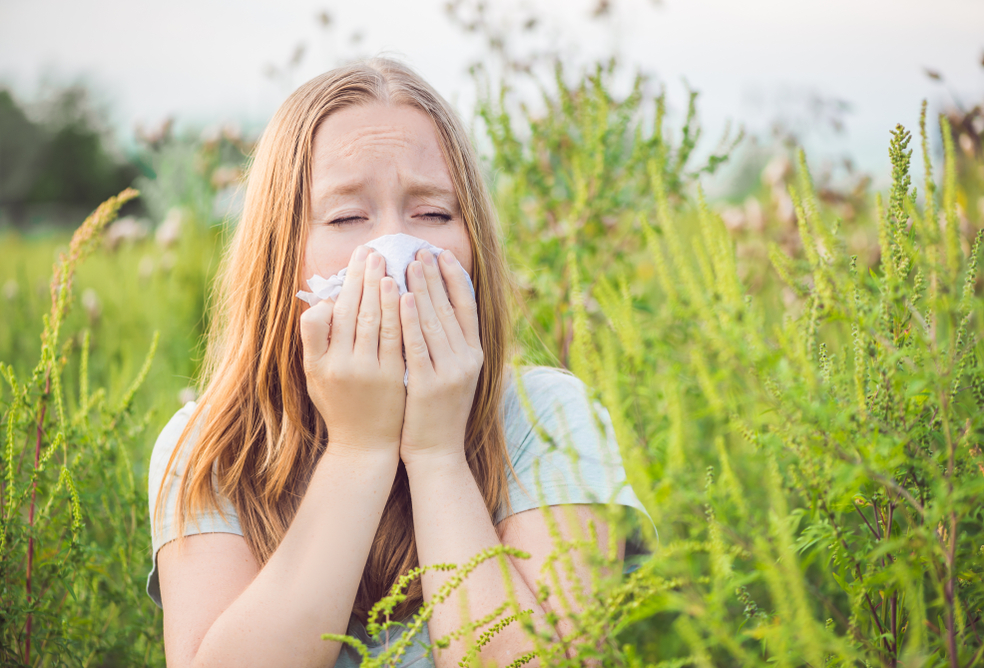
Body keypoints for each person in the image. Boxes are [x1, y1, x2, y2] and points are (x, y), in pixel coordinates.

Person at [147, 57, 651, 668]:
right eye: (346, 217)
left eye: (433, 213)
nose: (392, 251)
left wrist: (437, 452)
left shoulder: (549, 419)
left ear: (474, 242)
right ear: (284, 258)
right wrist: (359, 450)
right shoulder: (212, 445)